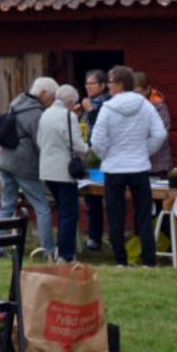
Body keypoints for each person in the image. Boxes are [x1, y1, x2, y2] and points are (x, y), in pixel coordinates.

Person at [91, 65, 166, 268]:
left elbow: (97, 140)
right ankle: (148, 260)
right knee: (144, 215)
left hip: (114, 168)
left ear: (120, 84)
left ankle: (121, 260)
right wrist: (144, 151)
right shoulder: (146, 105)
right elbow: (159, 134)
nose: (108, 86)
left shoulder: (107, 108)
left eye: (110, 82)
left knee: (116, 216)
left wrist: (106, 155)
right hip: (139, 167)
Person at [0, 77, 57, 258]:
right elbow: (40, 142)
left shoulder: (16, 103)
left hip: (4, 159)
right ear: (43, 93)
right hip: (23, 163)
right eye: (51, 97)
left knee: (6, 205)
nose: (51, 101)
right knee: (42, 206)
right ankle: (48, 251)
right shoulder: (35, 113)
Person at [38, 83, 88, 263]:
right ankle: (65, 255)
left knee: (62, 211)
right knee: (69, 213)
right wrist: (87, 147)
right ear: (70, 101)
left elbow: (39, 141)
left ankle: (64, 251)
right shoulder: (68, 116)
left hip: (46, 170)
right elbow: (77, 145)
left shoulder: (45, 114)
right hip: (63, 171)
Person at [80, 68, 111, 252]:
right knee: (92, 199)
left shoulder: (108, 103)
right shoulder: (88, 103)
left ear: (102, 85)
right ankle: (94, 237)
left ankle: (113, 239)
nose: (88, 87)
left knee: (111, 199)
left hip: (105, 155)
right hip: (90, 155)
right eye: (86, 83)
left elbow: (102, 126)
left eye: (91, 83)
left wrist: (90, 111)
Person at [133, 70, 172, 178]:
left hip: (157, 166)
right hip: (135, 166)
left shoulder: (159, 107)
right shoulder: (129, 108)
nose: (134, 96)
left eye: (137, 92)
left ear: (147, 89)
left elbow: (161, 135)